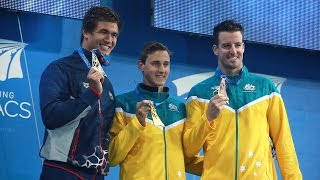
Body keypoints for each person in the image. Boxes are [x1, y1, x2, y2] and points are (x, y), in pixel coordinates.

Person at [183, 20, 302, 179]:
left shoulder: (265, 89)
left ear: (243, 47)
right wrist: (208, 118)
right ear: (216, 49)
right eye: (226, 46)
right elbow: (188, 151)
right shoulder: (199, 93)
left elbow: (283, 142)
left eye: (237, 45)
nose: (233, 51)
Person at [39, 6, 121, 180]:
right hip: (63, 170)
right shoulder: (61, 69)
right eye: (104, 32)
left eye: (114, 35)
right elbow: (51, 116)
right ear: (86, 32)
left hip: (96, 174)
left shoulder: (108, 84)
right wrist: (91, 93)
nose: (109, 39)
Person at [109, 41, 203, 179]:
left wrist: (225, 166)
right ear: (141, 65)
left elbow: (188, 160)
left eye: (166, 64)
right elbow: (112, 157)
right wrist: (137, 123)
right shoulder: (123, 104)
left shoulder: (180, 109)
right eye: (155, 63)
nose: (162, 70)